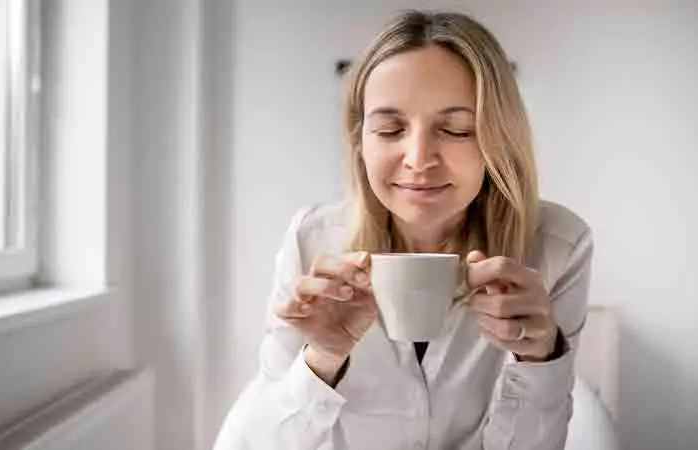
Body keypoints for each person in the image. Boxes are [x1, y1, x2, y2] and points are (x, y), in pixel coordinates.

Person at [214, 9, 593, 450]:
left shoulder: (557, 246)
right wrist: (323, 358)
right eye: (390, 128)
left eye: (456, 130)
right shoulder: (312, 240)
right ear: (360, 139)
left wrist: (540, 357)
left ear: (497, 137)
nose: (418, 158)